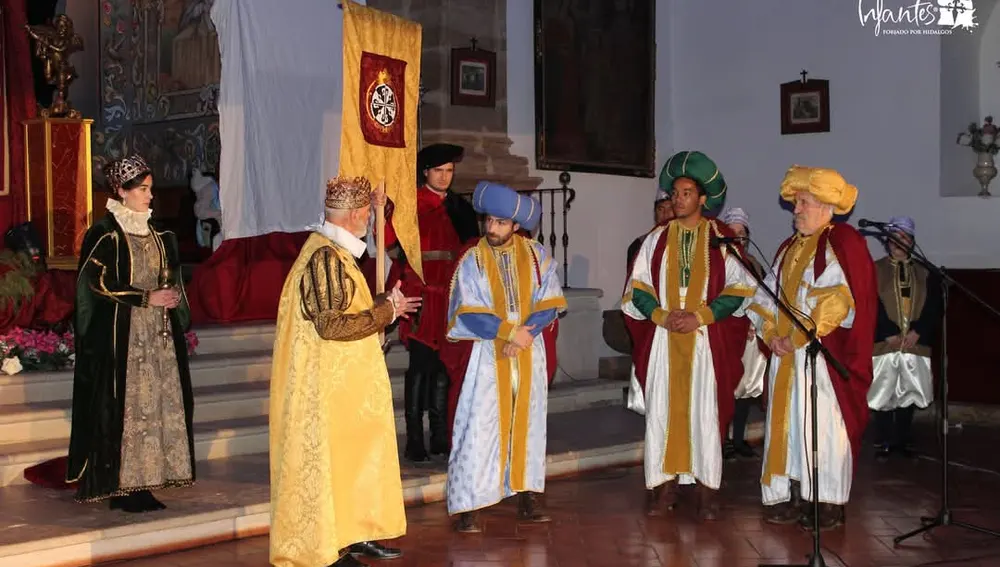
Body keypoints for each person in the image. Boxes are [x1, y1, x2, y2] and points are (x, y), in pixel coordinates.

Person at [268, 176, 421, 567]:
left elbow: (350, 311)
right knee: (331, 466)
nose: (370, 221)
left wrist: (385, 302)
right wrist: (387, 312)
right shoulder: (324, 256)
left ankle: (354, 534)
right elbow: (331, 325)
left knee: (353, 461)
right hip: (325, 388)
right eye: (368, 214)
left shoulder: (337, 252)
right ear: (355, 215)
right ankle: (327, 547)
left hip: (348, 385)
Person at [622, 151, 756, 521]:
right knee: (663, 410)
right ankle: (662, 487)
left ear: (702, 199)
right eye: (674, 193)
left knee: (704, 412)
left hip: (703, 342)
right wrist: (663, 316)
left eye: (685, 193)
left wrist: (702, 315)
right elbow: (638, 287)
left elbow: (740, 289)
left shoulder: (722, 239)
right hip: (666, 339)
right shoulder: (657, 239)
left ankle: (707, 491)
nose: (676, 199)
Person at [746, 165, 876, 531]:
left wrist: (800, 337)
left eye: (803, 203)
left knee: (822, 428)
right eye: (797, 203)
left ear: (824, 205)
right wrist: (771, 333)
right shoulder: (788, 247)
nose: (796, 210)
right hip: (784, 355)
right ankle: (787, 493)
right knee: (786, 425)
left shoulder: (844, 241)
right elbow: (764, 296)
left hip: (820, 359)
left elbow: (840, 300)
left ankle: (826, 501)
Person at [66, 154, 194, 512]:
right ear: (121, 192)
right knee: (128, 406)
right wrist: (144, 297)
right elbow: (96, 283)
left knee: (155, 404)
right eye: (142, 189)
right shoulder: (105, 232)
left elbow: (172, 276)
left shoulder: (159, 234)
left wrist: (171, 299)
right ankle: (123, 485)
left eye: (150, 189)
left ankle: (149, 478)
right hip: (122, 336)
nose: (149, 196)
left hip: (157, 335)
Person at [445, 181, 567, 533]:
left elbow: (551, 300)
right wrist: (508, 333)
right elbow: (468, 309)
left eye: (500, 223)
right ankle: (469, 504)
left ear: (516, 225)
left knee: (529, 427)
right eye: (488, 221)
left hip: (530, 350)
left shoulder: (537, 255)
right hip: (488, 353)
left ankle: (527, 496)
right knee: (479, 427)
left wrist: (525, 333)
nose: (492, 228)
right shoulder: (473, 259)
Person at [381, 143, 481, 462]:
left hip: (451, 295)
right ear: (426, 172)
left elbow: (471, 251)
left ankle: (439, 433)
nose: (445, 177)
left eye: (449, 171)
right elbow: (390, 244)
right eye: (439, 171)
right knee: (420, 366)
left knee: (443, 366)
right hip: (421, 294)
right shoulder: (410, 204)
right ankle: (414, 436)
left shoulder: (460, 208)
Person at [868, 216, 941, 460]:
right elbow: (869, 303)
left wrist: (918, 331)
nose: (898, 243)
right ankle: (885, 439)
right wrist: (887, 332)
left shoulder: (926, 272)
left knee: (909, 391)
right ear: (887, 243)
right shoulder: (874, 269)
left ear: (912, 241)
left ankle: (901, 440)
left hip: (914, 342)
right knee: (885, 391)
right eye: (894, 239)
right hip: (885, 342)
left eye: (904, 238)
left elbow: (934, 305)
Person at [718, 207, 769, 460]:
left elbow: (762, 299)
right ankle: (723, 440)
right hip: (729, 336)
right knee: (727, 388)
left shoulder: (755, 264)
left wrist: (755, 323)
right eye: (733, 233)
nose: (738, 238)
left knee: (746, 389)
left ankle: (738, 439)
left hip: (751, 335)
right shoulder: (718, 264)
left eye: (742, 233)